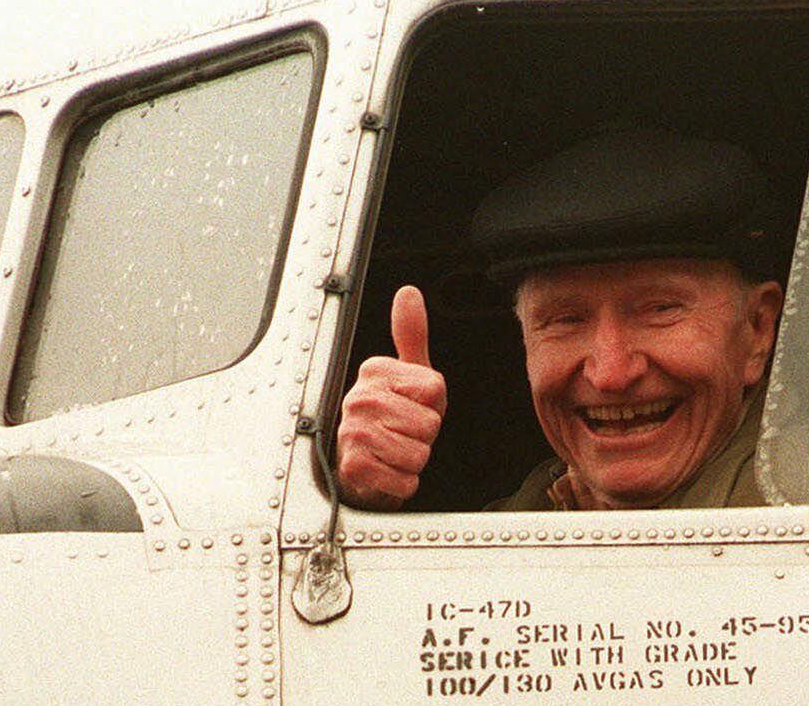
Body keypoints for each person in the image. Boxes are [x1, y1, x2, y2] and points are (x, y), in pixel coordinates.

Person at [335, 128, 785, 513]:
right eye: (565, 319)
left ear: (758, 331)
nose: (611, 374)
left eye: (660, 310)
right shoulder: (543, 503)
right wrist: (358, 502)